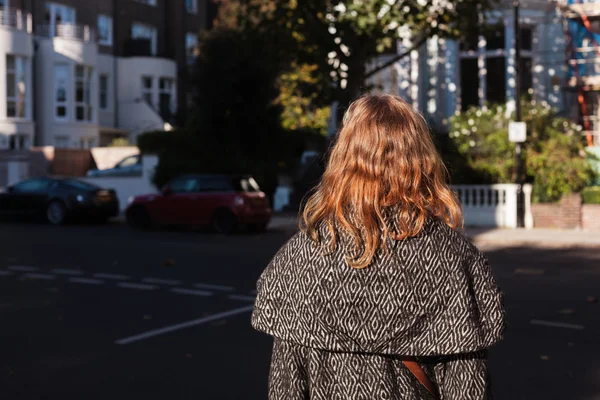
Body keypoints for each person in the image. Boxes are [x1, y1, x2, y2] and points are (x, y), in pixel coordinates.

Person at [252, 94, 506, 399]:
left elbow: (286, 387)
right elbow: (468, 390)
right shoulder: (454, 259)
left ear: (343, 159)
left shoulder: (300, 258)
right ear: (421, 159)